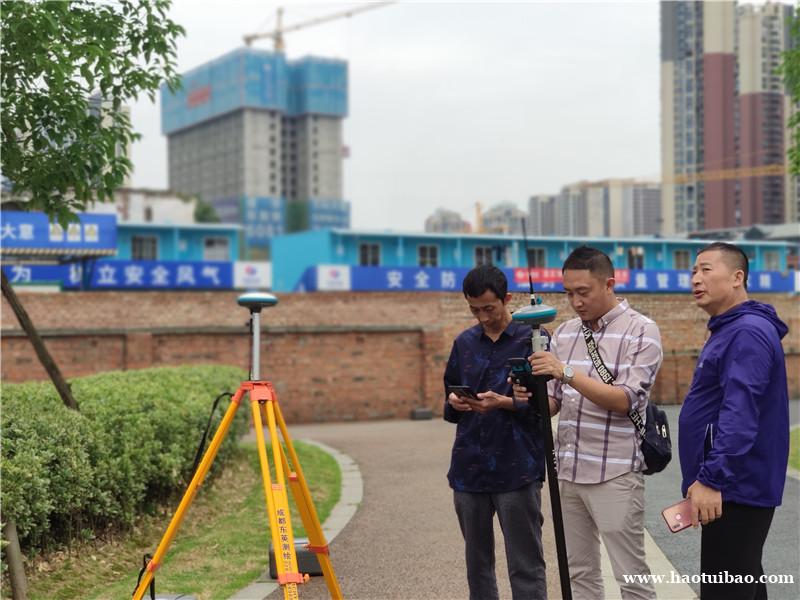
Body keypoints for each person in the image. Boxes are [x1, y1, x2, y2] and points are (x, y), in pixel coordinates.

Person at [514, 246, 662, 600]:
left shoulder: (642, 330)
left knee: (631, 575)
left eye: (583, 292)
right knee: (580, 573)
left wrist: (564, 371)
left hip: (615, 471)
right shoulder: (564, 333)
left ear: (609, 284)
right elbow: (554, 402)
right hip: (568, 470)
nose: (575, 301)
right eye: (568, 293)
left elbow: (625, 399)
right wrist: (526, 396)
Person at [679, 242, 789, 600]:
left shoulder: (746, 331)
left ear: (738, 276)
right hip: (732, 485)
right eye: (694, 271)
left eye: (706, 270)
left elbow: (740, 412)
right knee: (745, 584)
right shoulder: (730, 328)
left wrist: (711, 479)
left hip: (734, 487)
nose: (695, 279)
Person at [444, 264, 547, 600]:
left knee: (525, 564)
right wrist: (454, 401)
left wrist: (504, 402)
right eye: (474, 309)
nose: (483, 316)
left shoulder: (533, 339)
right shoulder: (464, 342)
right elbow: (450, 394)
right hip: (468, 469)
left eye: (489, 308)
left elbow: (547, 406)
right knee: (477, 564)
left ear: (508, 298)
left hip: (518, 468)